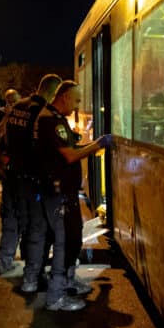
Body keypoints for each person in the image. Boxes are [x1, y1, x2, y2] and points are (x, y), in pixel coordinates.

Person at [34, 79, 112, 311]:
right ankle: (56, 297)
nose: (77, 106)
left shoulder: (55, 119)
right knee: (63, 242)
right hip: (57, 193)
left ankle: (67, 282)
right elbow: (69, 155)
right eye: (76, 100)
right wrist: (98, 144)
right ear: (65, 96)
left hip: (63, 192)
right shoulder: (51, 121)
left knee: (72, 238)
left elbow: (70, 147)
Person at [3, 74, 61, 293]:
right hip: (35, 178)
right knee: (39, 228)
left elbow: (5, 140)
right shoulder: (40, 112)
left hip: (16, 176)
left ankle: (31, 270)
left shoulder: (17, 106)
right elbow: (42, 146)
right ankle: (34, 276)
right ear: (52, 92)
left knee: (26, 225)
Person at [0, 88, 24, 275]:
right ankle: (5, 258)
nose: (11, 104)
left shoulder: (23, 118)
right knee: (10, 217)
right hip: (11, 177)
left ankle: (11, 256)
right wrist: (7, 116)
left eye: (15, 100)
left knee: (21, 218)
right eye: (9, 101)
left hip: (21, 177)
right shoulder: (1, 116)